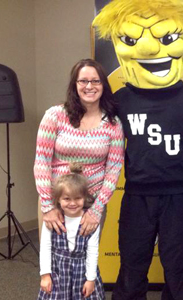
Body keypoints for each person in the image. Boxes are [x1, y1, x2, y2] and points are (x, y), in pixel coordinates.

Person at [92, 1, 183, 299]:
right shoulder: (120, 99)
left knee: (179, 266)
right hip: (136, 196)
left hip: (179, 197)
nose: (148, 49)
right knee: (132, 265)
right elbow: (97, 139)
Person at [34, 58, 124, 237]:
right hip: (56, 200)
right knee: (52, 259)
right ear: (75, 85)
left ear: (103, 85)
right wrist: (48, 206)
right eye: (83, 81)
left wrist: (97, 210)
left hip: (92, 203)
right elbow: (41, 161)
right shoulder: (55, 116)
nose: (89, 86)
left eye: (95, 81)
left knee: (86, 260)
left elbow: (113, 170)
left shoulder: (113, 124)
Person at [38, 163, 105, 300]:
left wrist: (91, 279)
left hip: (82, 275)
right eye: (67, 198)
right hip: (58, 274)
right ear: (58, 199)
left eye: (78, 198)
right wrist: (45, 275)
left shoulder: (91, 222)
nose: (72, 203)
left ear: (84, 198)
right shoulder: (53, 220)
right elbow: (45, 248)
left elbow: (92, 252)